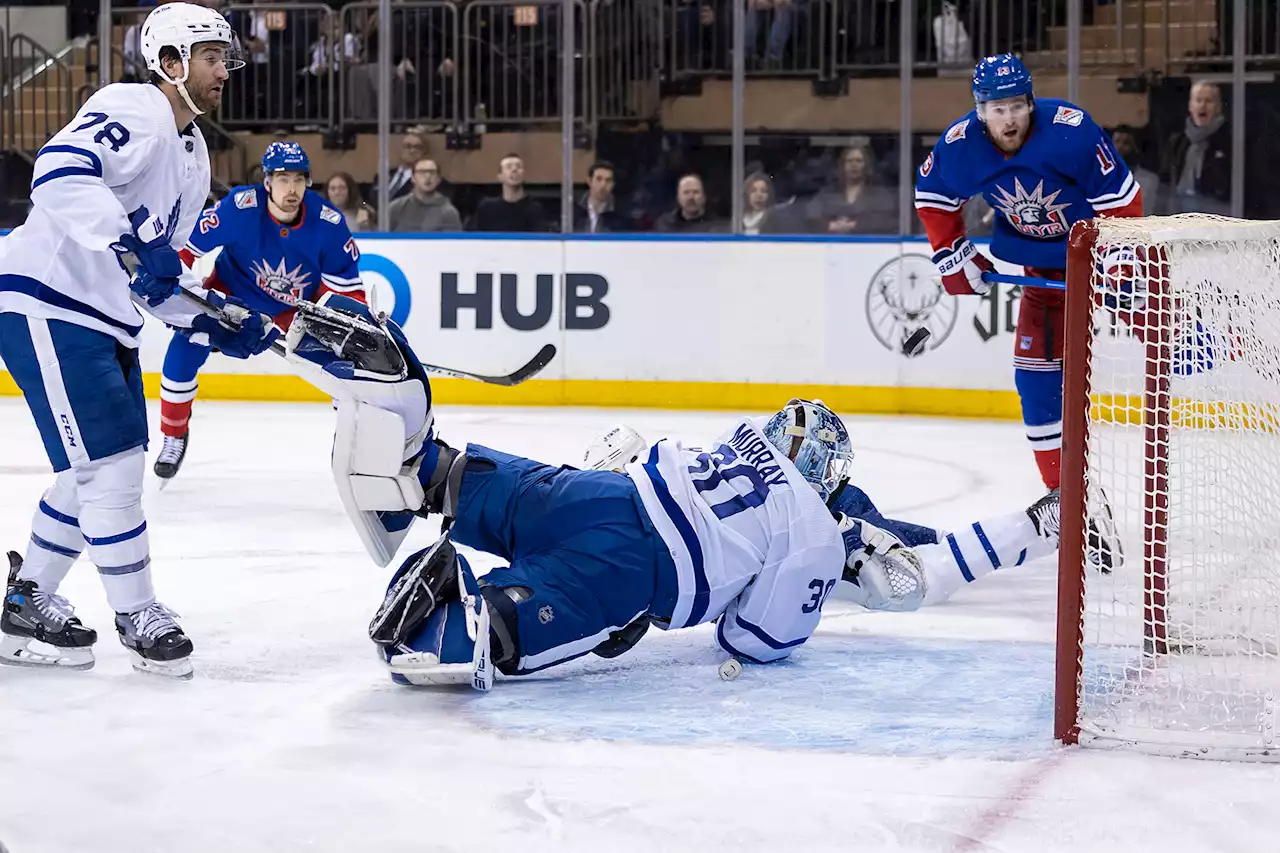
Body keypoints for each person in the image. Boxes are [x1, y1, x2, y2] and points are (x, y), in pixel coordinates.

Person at [0, 3, 278, 678]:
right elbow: (59, 171)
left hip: (101, 316)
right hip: (47, 301)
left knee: (87, 472)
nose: (223, 71)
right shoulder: (134, 107)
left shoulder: (193, 155)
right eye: (210, 57)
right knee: (115, 468)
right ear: (171, 62)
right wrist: (132, 242)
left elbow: (156, 278)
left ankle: (25, 599)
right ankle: (137, 612)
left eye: (224, 58)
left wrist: (211, 318)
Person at [363, 398, 854, 689]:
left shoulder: (741, 439)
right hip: (637, 565)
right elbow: (757, 640)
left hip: (603, 490)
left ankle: (411, 463)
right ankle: (457, 611)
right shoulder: (816, 529)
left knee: (488, 489)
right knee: (497, 634)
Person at [914, 55, 1140, 571]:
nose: (1009, 118)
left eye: (1017, 105)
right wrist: (952, 251)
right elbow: (932, 195)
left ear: (1030, 103)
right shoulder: (959, 146)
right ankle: (1073, 505)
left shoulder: (1072, 132)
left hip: (1098, 260)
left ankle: (1208, 339)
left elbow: (1123, 199)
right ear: (980, 112)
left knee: (1169, 340)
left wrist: (1120, 260)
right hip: (1042, 279)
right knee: (1035, 381)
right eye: (997, 108)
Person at [581, 424, 1062, 614]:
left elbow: (907, 580)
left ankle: (1037, 528)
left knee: (916, 568)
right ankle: (1035, 528)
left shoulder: (826, 510)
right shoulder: (816, 507)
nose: (832, 473)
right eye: (826, 460)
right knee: (916, 563)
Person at [154, 140, 365, 480]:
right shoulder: (240, 208)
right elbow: (185, 247)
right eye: (282, 179)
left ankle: (352, 444)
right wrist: (179, 304)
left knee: (342, 370)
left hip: (295, 311)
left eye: (299, 179)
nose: (291, 188)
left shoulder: (328, 224)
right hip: (232, 294)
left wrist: (344, 330)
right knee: (186, 344)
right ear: (266, 182)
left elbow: (348, 291)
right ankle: (173, 434)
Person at [1159, 81, 1231, 215]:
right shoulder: (1177, 141)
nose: (1202, 106)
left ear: (1218, 107)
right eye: (1198, 100)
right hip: (1180, 209)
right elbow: (1166, 180)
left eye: (1208, 101)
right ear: (1190, 106)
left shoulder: (1229, 140)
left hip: (1216, 210)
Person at [469, 154, 549, 233]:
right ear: (500, 176)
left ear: (524, 174)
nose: (514, 169)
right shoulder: (487, 209)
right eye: (509, 167)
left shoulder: (535, 209)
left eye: (519, 166)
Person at [387, 158, 462, 232]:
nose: (428, 176)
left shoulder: (449, 213)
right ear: (413, 178)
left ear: (439, 179)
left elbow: (452, 243)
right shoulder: (396, 208)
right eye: (422, 172)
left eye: (432, 172)